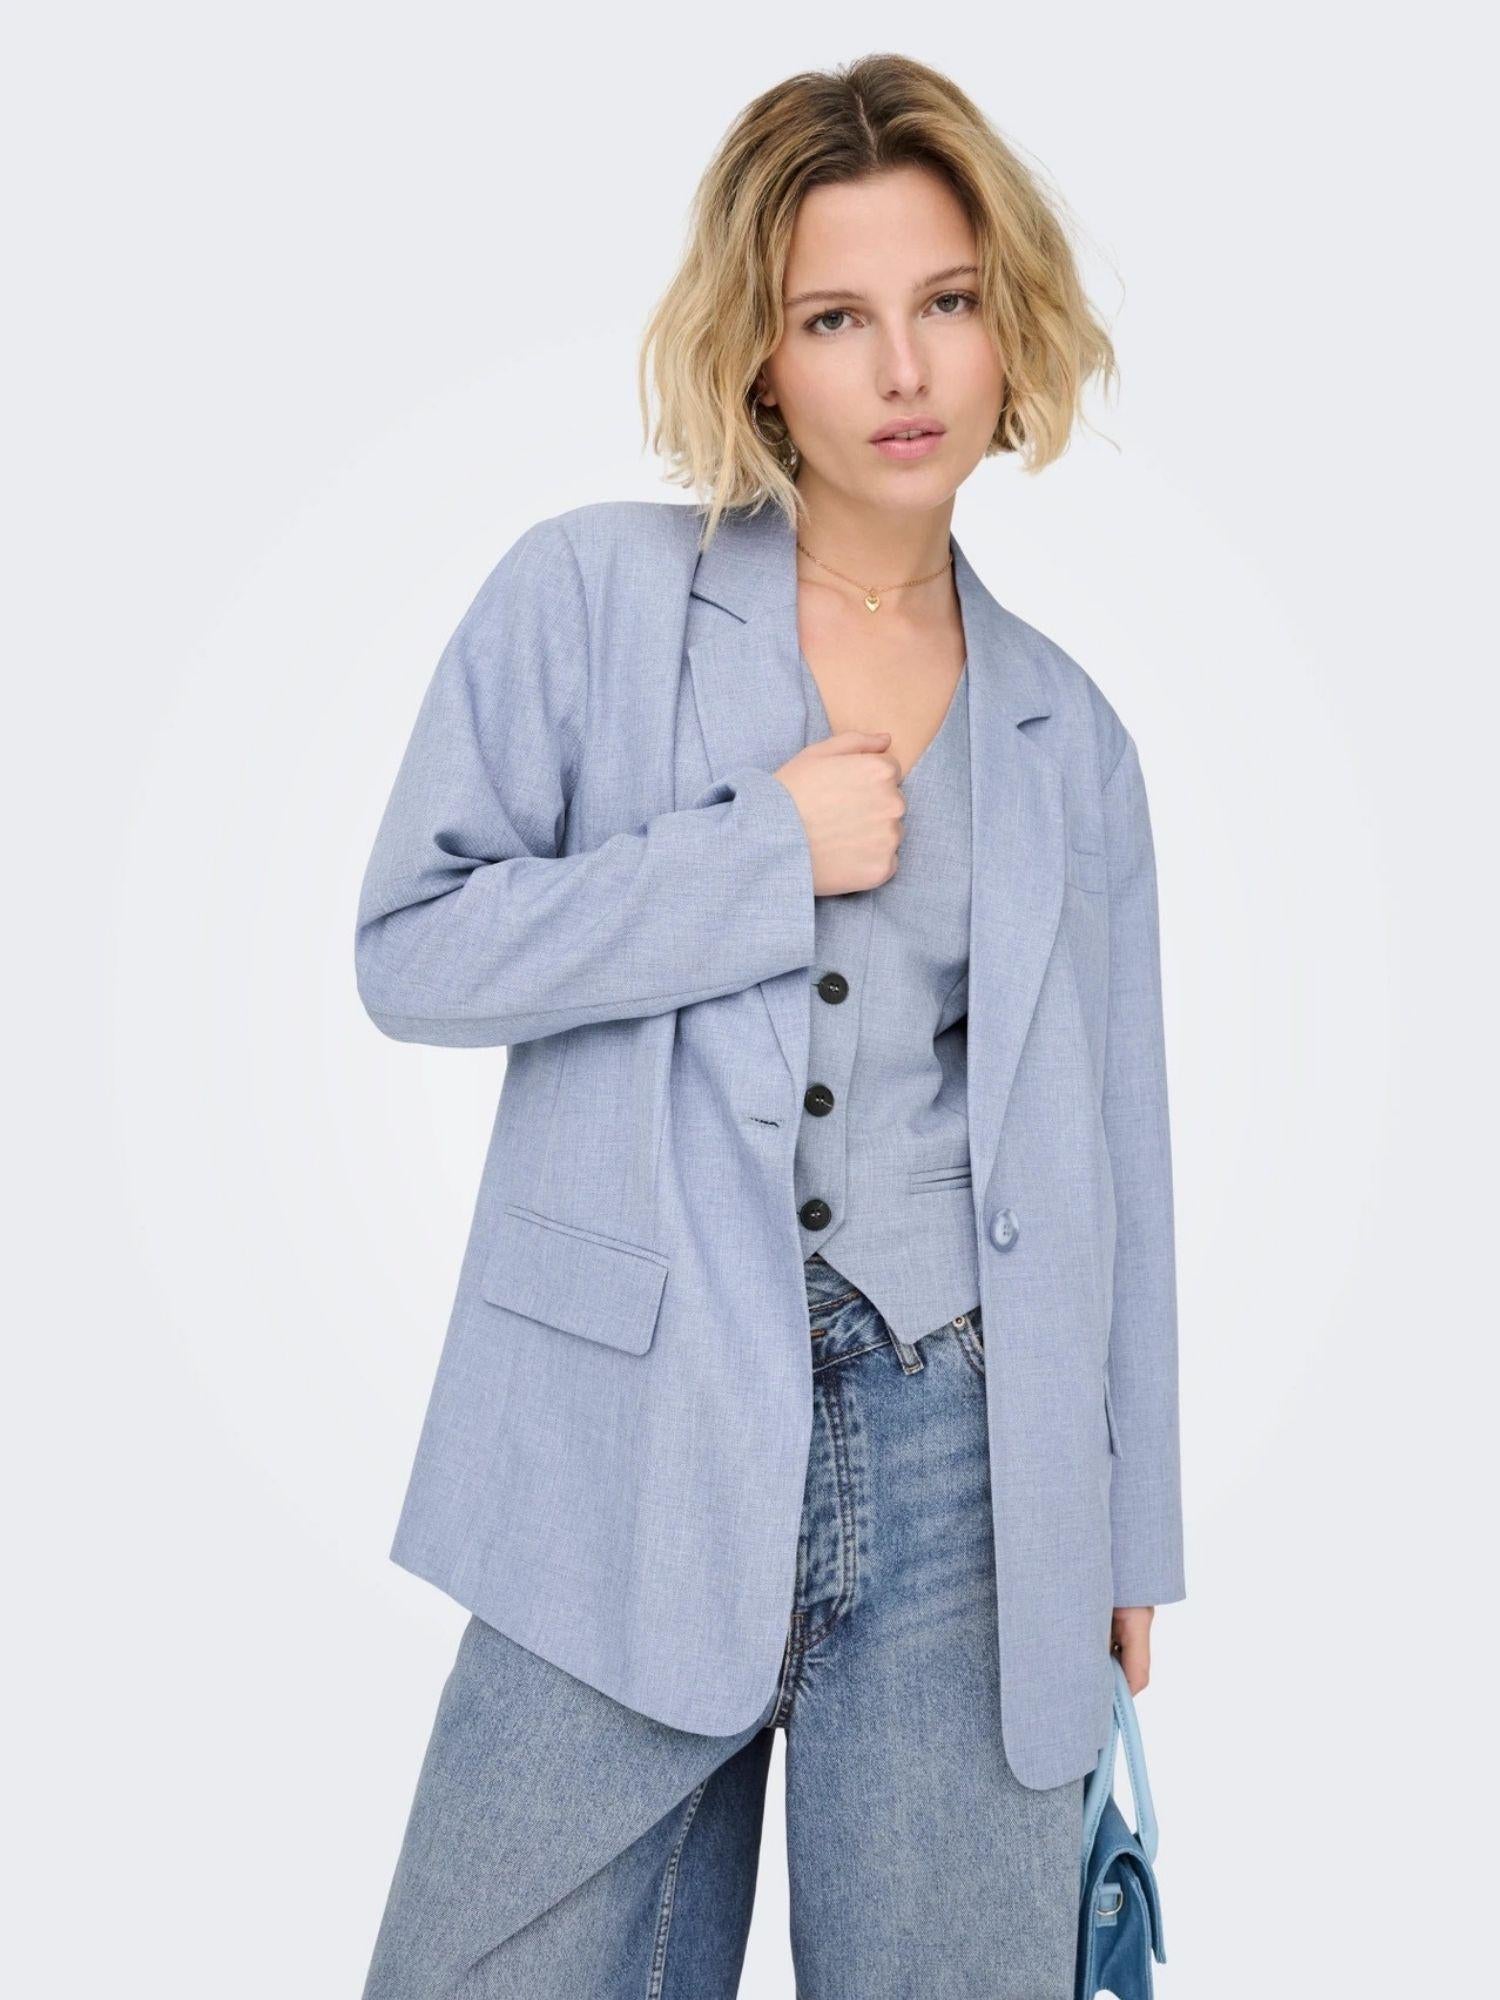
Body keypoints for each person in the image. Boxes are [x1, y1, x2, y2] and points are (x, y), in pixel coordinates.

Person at [355, 51, 1185, 2000]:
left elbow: (1117, 1155)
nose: (902, 368)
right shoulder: (590, 599)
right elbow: (412, 948)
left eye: (946, 302)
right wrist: (757, 855)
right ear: (757, 352)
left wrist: (1125, 1531)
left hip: (974, 1463)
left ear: (1008, 326)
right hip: (627, 1436)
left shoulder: (1071, 736)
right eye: (835, 317)